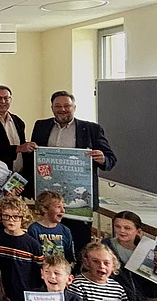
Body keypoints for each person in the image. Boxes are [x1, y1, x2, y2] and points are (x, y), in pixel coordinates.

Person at [28, 91, 117, 252]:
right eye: (58, 106)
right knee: (47, 244)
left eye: (67, 106)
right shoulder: (41, 126)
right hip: (48, 199)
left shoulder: (91, 129)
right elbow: (34, 159)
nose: (62, 109)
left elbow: (111, 159)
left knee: (79, 244)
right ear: (52, 107)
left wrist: (103, 158)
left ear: (74, 107)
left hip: (78, 201)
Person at [28, 191, 76, 264]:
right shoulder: (34, 229)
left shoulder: (65, 231)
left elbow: (69, 256)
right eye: (58, 207)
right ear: (44, 209)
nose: (63, 211)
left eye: (63, 207)